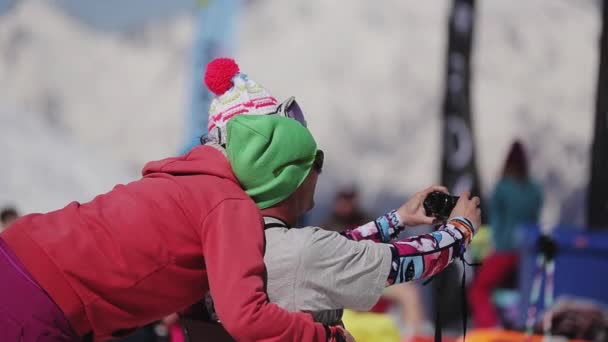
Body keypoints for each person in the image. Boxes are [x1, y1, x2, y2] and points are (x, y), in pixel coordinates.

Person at [0, 59, 349, 342]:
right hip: (37, 305)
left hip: (17, 259)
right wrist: (323, 336)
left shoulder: (180, 180)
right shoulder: (227, 203)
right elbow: (245, 317)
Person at [468, 140, 543, 328]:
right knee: (526, 292)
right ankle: (524, 326)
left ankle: (489, 326)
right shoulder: (535, 189)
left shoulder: (502, 186)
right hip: (529, 250)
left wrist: (495, 247)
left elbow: (497, 221)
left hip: (504, 249)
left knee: (479, 289)